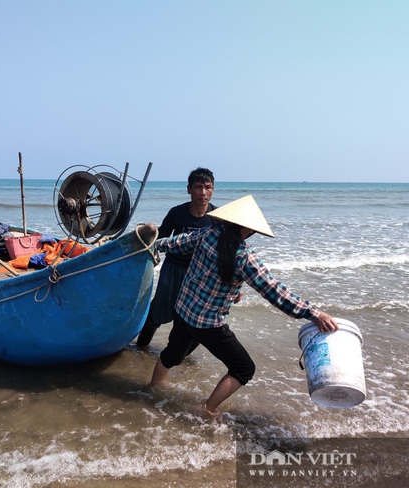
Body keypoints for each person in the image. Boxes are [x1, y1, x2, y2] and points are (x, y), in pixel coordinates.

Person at [149, 195, 338, 418]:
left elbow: (176, 243)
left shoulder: (208, 234)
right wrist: (312, 313)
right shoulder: (245, 258)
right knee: (244, 369)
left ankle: (151, 390)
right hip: (207, 324)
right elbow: (275, 291)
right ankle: (208, 409)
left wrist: (151, 243)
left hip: (183, 310)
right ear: (249, 230)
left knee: (171, 354)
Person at [135, 167, 217, 348]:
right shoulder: (176, 213)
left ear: (212, 189)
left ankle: (178, 357)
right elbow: (159, 240)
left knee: (198, 319)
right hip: (173, 269)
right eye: (197, 187)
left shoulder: (218, 218)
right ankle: (140, 349)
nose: (202, 192)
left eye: (207, 187)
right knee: (157, 312)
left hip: (200, 275)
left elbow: (227, 249)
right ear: (189, 189)